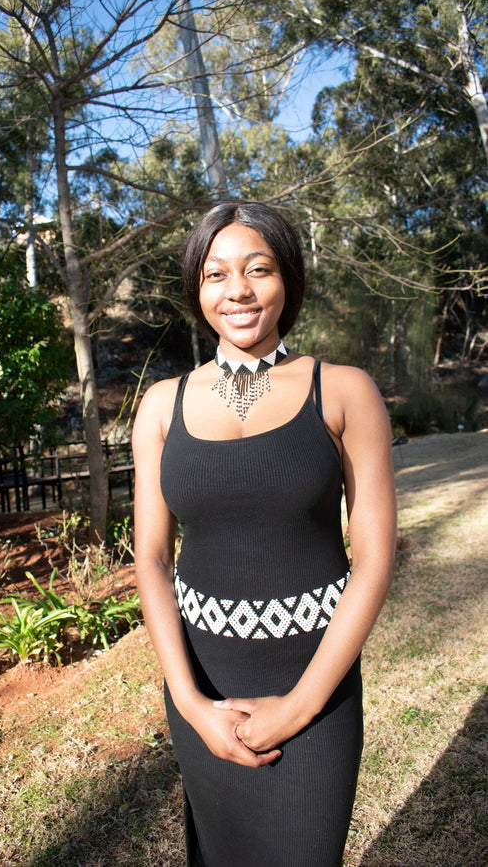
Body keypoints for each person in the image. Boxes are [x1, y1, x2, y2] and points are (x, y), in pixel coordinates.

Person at [132, 201, 396, 867]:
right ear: (198, 289)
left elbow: (372, 558)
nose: (239, 290)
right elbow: (153, 559)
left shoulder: (342, 392)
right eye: (216, 274)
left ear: (288, 280)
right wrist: (192, 705)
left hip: (317, 688)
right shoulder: (162, 406)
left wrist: (299, 706)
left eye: (259, 268)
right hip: (203, 688)